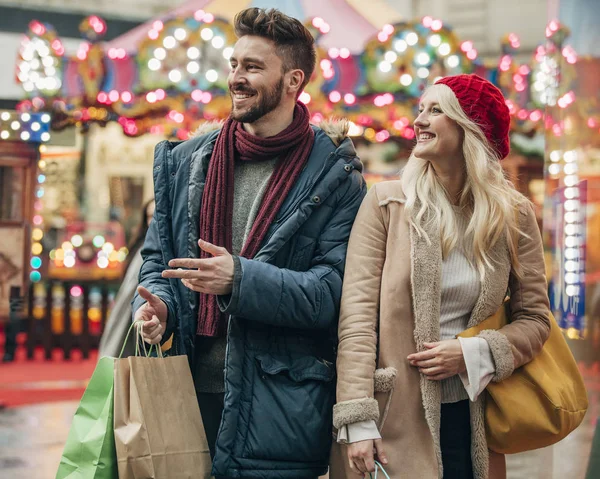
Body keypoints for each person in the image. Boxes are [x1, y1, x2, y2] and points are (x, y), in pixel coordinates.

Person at [133, 7, 366, 479]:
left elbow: (330, 293)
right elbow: (160, 258)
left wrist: (240, 278)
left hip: (278, 404)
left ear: (292, 80)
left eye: (253, 67)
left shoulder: (336, 175)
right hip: (184, 390)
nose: (236, 78)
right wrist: (160, 305)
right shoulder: (187, 162)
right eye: (235, 64)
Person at [329, 74, 551, 479]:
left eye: (436, 110)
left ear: (470, 127)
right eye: (420, 109)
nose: (419, 121)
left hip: (476, 418)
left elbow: (536, 319)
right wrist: (358, 419)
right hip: (393, 417)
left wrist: (474, 353)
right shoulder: (387, 203)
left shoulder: (513, 215)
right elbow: (357, 318)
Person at [98, 198, 155, 358]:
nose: (153, 222)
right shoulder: (143, 249)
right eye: (149, 216)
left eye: (156, 215)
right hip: (132, 314)